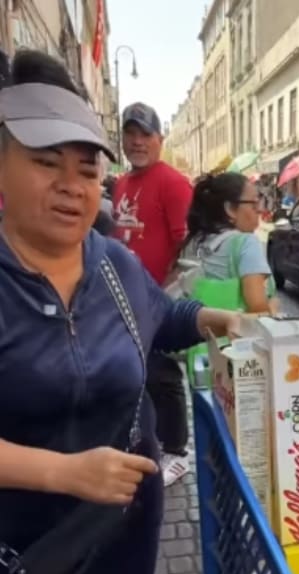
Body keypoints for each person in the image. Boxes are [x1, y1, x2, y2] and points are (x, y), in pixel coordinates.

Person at [0, 50, 240, 574]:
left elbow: (157, 318)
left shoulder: (110, 262)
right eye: (45, 162)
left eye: (88, 168)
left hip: (124, 511)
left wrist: (209, 318)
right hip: (21, 520)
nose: (72, 186)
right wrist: (62, 472)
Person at [113, 102, 195, 487]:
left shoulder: (173, 183)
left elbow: (188, 244)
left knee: (164, 374)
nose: (137, 141)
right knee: (141, 374)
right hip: (125, 296)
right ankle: (150, 438)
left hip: (157, 297)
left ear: (160, 139)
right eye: (130, 134)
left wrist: (165, 293)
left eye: (145, 134)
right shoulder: (123, 184)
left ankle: (177, 451)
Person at [180, 172, 275, 313]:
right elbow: (258, 311)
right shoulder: (246, 243)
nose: (260, 210)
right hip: (235, 333)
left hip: (193, 332)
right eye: (254, 203)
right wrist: (273, 306)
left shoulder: (192, 242)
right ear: (230, 209)